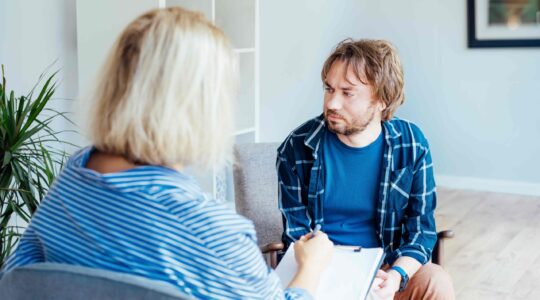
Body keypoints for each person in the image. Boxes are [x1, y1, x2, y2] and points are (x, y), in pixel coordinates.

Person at [1, 7, 334, 299]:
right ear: (199, 106)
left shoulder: (75, 178)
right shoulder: (214, 233)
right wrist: (311, 269)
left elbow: (19, 282)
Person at [277, 39, 454, 299]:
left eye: (347, 93)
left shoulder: (412, 144)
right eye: (329, 89)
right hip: (321, 272)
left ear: (383, 99)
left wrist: (395, 277)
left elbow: (421, 232)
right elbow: (297, 237)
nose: (332, 103)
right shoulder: (297, 147)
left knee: (436, 281)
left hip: (384, 271)